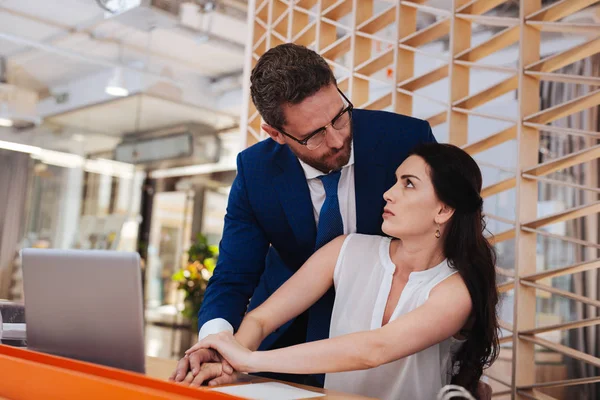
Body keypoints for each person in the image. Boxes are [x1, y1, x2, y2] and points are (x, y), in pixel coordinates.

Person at [170, 43, 436, 387]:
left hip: (385, 335)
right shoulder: (256, 172)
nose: (338, 139)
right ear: (276, 134)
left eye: (339, 116)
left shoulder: (405, 140)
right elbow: (234, 274)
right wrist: (217, 340)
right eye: (314, 136)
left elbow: (451, 238)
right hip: (281, 339)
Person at [186, 143, 500, 400]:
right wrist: (228, 361)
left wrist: (249, 361)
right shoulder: (346, 249)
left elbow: (375, 350)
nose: (388, 193)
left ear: (443, 210)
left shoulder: (455, 290)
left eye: (408, 184)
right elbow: (261, 318)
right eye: (395, 180)